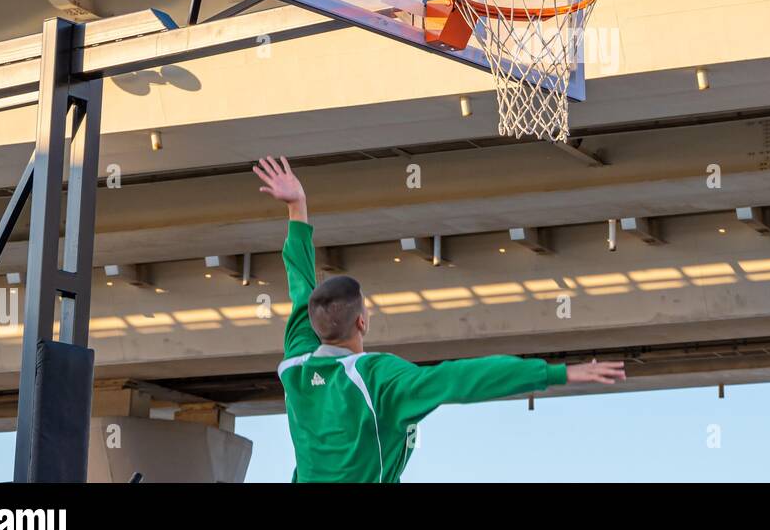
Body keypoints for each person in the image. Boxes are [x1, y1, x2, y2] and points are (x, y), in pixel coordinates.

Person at [253, 155, 626, 482]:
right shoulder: (377, 379)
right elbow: (459, 380)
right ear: (362, 322)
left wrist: (296, 208)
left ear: (313, 325)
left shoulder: (297, 361)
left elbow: (301, 284)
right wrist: (559, 373)